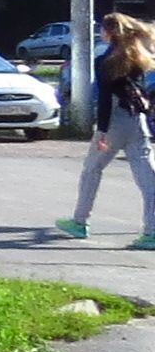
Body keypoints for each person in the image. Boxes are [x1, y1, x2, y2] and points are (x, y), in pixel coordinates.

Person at [59, 13, 155, 248]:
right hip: (138, 122)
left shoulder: (105, 60)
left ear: (108, 33)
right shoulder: (138, 58)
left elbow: (105, 98)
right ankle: (152, 232)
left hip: (114, 122)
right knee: (148, 179)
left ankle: (80, 222)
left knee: (92, 169)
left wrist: (101, 131)